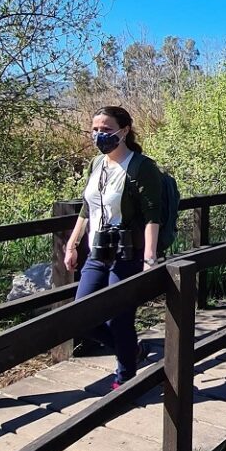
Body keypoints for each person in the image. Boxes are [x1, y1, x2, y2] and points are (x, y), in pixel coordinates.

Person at [63, 106, 163, 390]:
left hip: (127, 253)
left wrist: (149, 258)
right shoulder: (97, 164)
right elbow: (87, 208)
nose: (99, 135)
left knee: (119, 318)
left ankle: (125, 379)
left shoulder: (141, 167)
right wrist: (72, 244)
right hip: (98, 250)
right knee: (80, 317)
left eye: (106, 130)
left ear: (124, 130)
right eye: (95, 129)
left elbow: (152, 215)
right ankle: (132, 350)